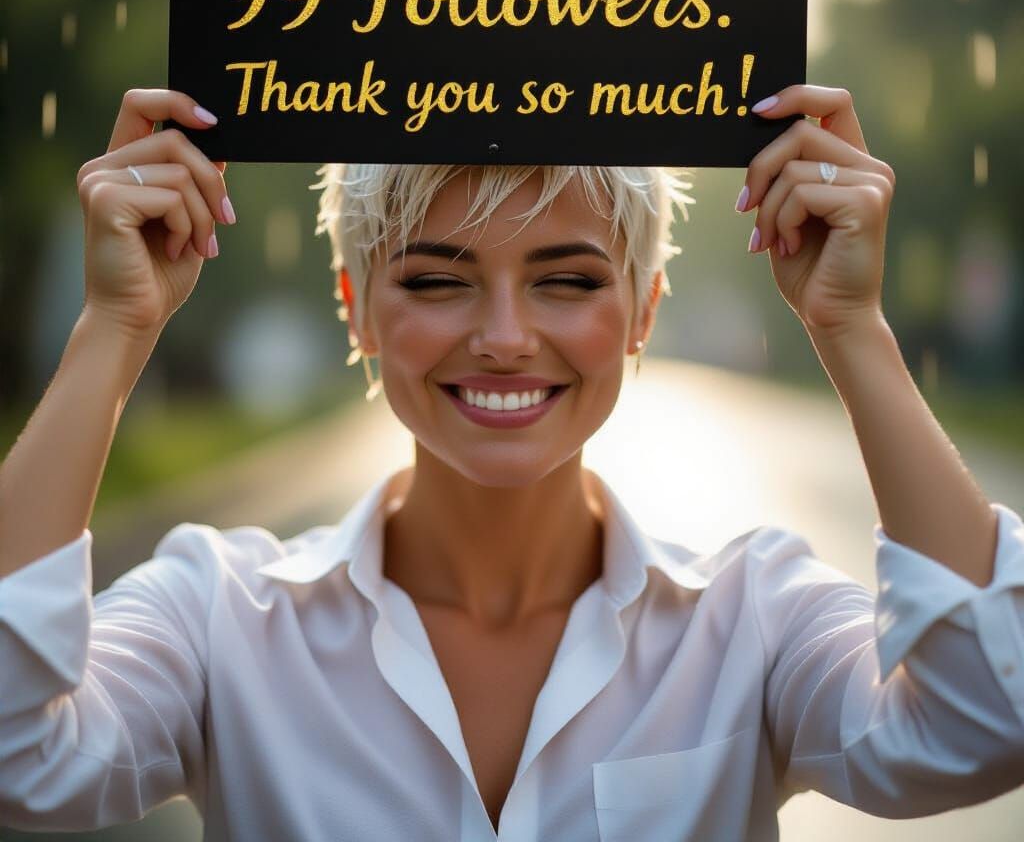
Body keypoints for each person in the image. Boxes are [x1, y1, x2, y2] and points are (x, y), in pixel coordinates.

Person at [0, 85, 1022, 840]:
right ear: (354, 305)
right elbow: (17, 757)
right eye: (438, 281)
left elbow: (983, 720)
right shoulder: (215, 614)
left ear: (643, 313)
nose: (502, 336)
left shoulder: (753, 616)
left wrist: (850, 327)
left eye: (566, 280)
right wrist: (113, 327)